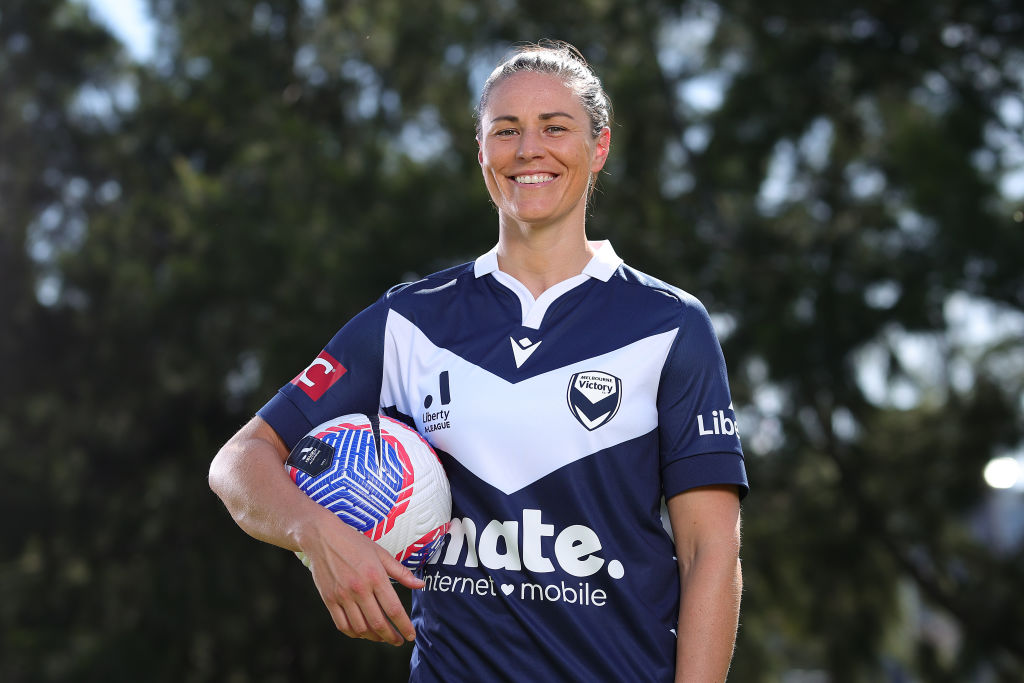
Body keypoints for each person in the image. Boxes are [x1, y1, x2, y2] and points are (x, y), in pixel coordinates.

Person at [209, 40, 748, 682]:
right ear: (483, 151)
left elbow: (709, 550)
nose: (529, 150)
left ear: (598, 148)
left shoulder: (670, 325)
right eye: (506, 131)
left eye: (555, 128)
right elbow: (239, 462)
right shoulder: (411, 320)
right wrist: (316, 532)